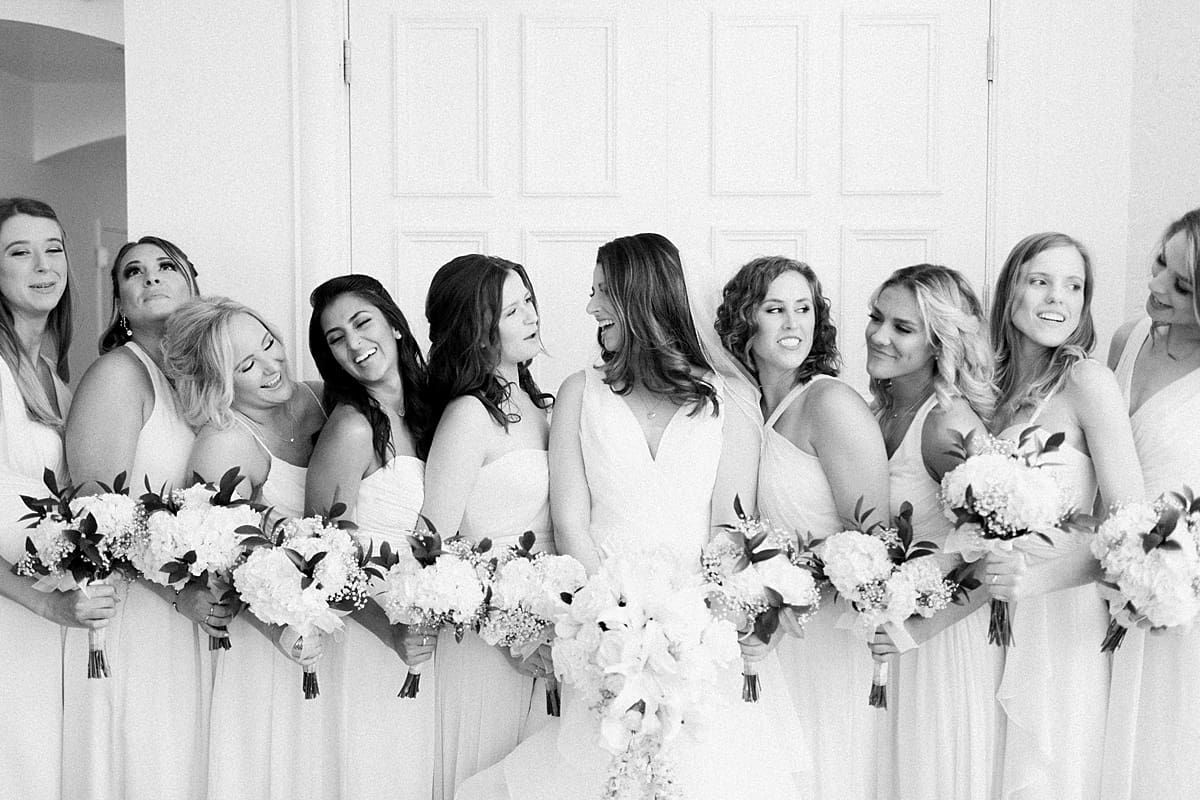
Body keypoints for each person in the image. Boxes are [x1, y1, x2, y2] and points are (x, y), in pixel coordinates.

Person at [457, 233, 806, 800]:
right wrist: (614, 619)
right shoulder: (577, 392)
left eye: (602, 292)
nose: (591, 307)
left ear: (640, 299)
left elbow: (729, 525)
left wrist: (681, 623)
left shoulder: (727, 400)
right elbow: (571, 521)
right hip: (602, 630)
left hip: (697, 633)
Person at [716, 255, 889, 800]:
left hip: (825, 635)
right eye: (775, 309)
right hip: (766, 632)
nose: (794, 323)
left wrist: (797, 587)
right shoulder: (745, 407)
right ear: (746, 321)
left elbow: (876, 542)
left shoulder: (830, 402)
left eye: (804, 308)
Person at [985, 233, 1143, 799]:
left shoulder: (1086, 382)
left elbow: (1133, 530)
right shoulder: (988, 389)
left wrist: (1038, 579)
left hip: (1060, 615)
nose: (1059, 298)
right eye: (1041, 281)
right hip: (986, 613)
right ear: (1011, 291)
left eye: (1074, 286)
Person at [162, 296, 330, 800]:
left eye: (270, 344)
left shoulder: (321, 398)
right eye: (247, 366)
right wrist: (283, 630)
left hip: (342, 623)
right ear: (220, 382)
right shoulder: (225, 445)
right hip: (273, 641)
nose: (272, 366)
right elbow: (221, 570)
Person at [63, 234, 209, 799]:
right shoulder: (119, 375)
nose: (150, 278)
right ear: (120, 304)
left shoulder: (205, 379)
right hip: (143, 611)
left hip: (198, 609)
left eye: (165, 266)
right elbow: (97, 523)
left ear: (192, 282)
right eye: (132, 272)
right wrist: (179, 595)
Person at [419, 254, 556, 798]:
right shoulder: (468, 416)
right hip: (490, 644)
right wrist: (511, 637)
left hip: (553, 622)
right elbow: (435, 548)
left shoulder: (538, 403)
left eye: (529, 302)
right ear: (476, 332)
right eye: (512, 310)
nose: (531, 317)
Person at [863, 264, 1000, 799]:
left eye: (902, 328)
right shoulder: (879, 409)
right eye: (877, 317)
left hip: (937, 643)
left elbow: (996, 557)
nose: (879, 335)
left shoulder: (945, 425)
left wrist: (916, 631)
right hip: (888, 636)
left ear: (939, 342)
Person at [305, 274, 436, 800]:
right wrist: (389, 632)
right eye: (336, 338)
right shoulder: (353, 428)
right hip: (371, 631)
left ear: (395, 326)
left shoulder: (428, 409)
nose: (355, 344)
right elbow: (320, 556)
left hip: (424, 623)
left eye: (362, 324)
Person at [0, 197, 111, 800]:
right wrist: (43, 608)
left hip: (50, 612)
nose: (44, 265)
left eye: (54, 248)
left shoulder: (56, 375)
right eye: (20, 252)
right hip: (14, 612)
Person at [1102, 208, 1200, 799]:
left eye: (1182, 285)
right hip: (1107, 571)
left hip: (1180, 590)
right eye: (1161, 262)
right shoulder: (1128, 337)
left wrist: (1176, 573)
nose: (1156, 286)